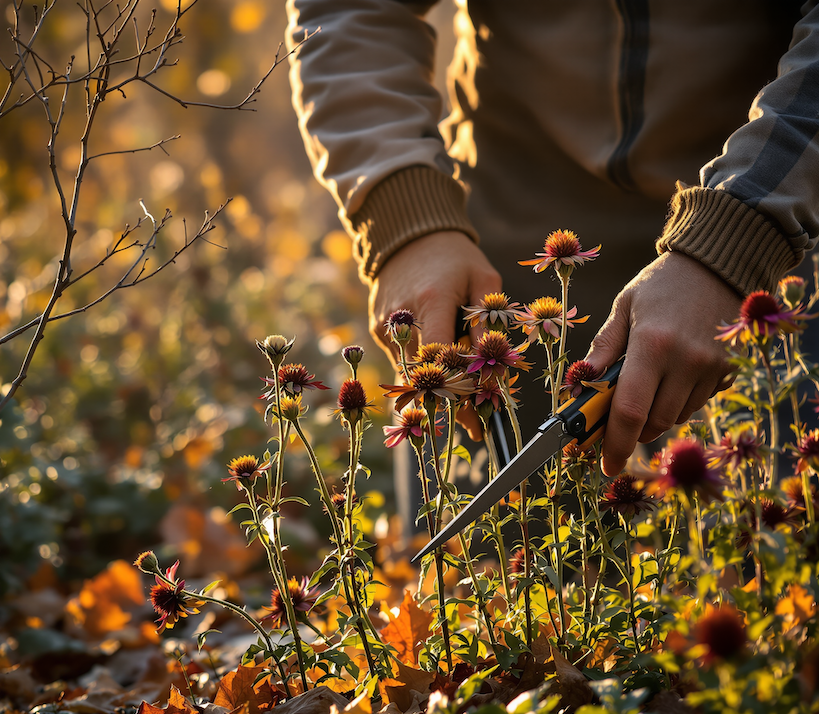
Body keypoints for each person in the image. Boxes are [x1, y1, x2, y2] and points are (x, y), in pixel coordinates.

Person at [284, 1, 819, 480]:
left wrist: (743, 234)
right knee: (486, 563)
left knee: (773, 529)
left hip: (785, 208)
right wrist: (403, 216)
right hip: (505, 212)